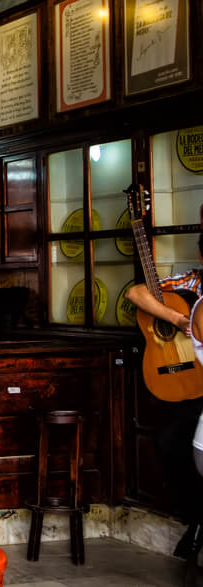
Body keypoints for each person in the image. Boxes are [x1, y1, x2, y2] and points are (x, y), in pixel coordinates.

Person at [124, 217, 203, 561]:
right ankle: (196, 518)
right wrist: (178, 320)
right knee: (171, 442)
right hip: (194, 380)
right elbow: (135, 292)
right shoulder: (192, 281)